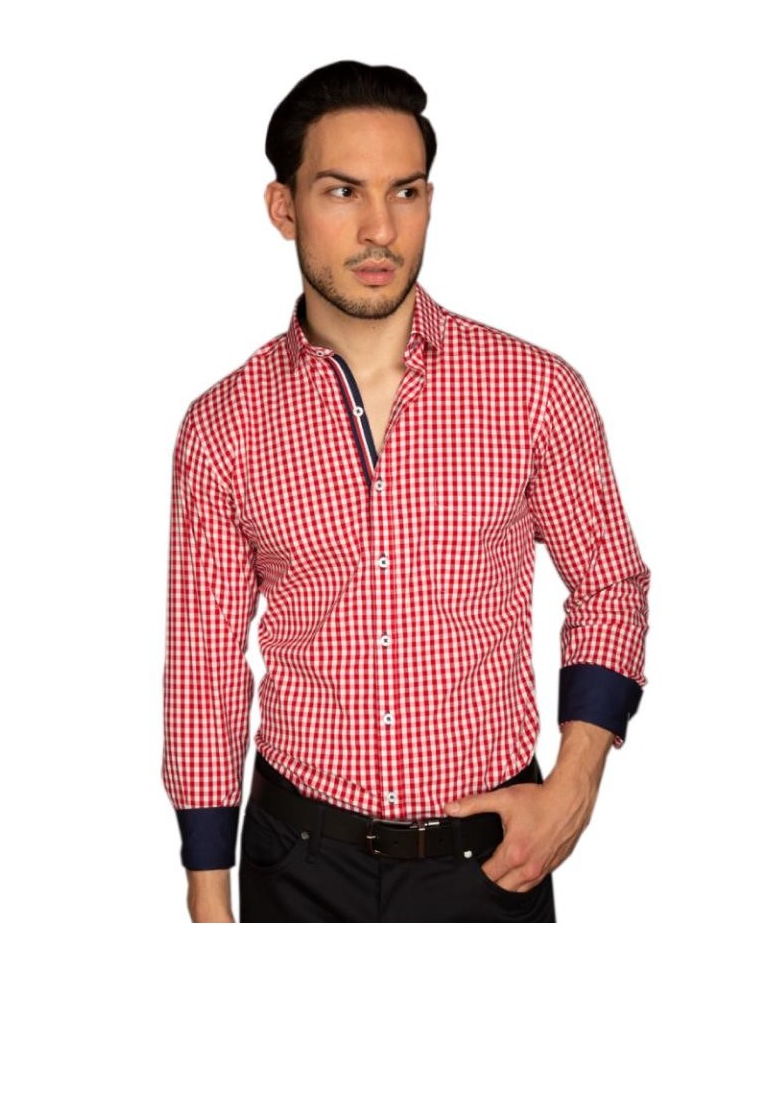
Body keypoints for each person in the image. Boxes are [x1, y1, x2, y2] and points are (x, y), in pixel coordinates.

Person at [161, 61, 651, 922]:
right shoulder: (222, 426)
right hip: (296, 861)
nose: (380, 228)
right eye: (342, 191)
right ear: (283, 208)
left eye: (406, 191)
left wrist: (574, 784)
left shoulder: (533, 390)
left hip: (491, 859)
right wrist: (208, 891)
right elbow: (205, 662)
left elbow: (610, 582)